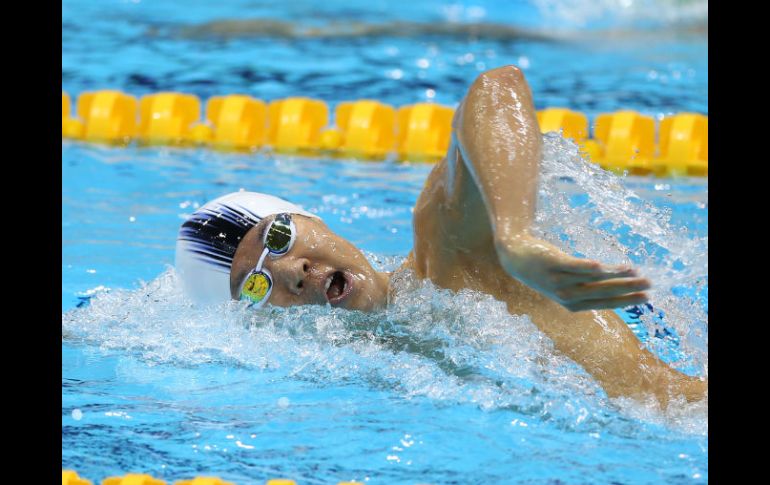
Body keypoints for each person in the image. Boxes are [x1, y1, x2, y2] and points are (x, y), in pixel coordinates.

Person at [175, 65, 707, 407]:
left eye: (282, 236)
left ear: (314, 219)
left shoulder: (446, 253)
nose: (292, 272)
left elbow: (496, 89)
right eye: (256, 286)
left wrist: (513, 239)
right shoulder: (365, 381)